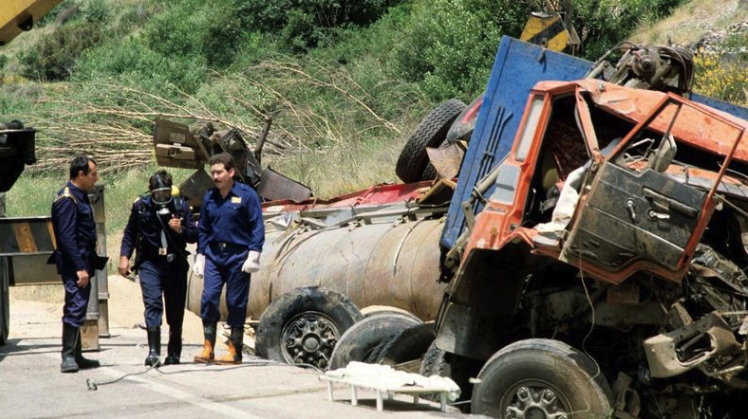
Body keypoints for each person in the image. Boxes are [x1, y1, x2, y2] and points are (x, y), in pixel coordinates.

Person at [119, 170, 197, 366]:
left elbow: (195, 235)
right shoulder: (141, 207)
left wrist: (180, 229)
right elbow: (130, 234)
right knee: (153, 304)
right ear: (151, 192)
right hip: (150, 263)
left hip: (175, 263)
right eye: (157, 194)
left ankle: (174, 350)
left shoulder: (181, 206)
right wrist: (124, 257)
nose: (162, 198)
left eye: (165, 194)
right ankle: (154, 351)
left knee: (175, 309)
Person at [193, 153, 264, 365]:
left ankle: (234, 350)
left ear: (230, 172)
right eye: (212, 172)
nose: (215, 176)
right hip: (215, 256)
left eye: (219, 172)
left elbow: (257, 226)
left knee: (235, 302)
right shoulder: (209, 198)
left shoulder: (246, 195)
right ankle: (208, 346)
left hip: (238, 256)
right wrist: (200, 255)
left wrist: (254, 254)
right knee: (209, 298)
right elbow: (204, 229)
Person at [50, 156, 103, 373]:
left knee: (78, 306)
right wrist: (79, 267)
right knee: (75, 306)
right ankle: (68, 356)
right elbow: (66, 238)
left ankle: (77, 354)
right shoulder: (67, 199)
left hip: (83, 260)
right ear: (80, 174)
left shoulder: (80, 196)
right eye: (92, 174)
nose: (95, 178)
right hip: (75, 264)